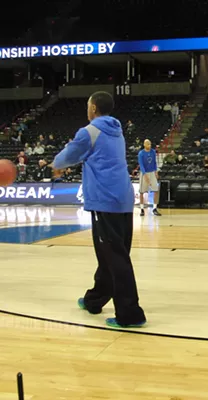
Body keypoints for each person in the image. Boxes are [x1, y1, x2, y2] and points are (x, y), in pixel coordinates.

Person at [52, 91, 146, 328]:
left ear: (93, 108)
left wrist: (54, 164)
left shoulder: (89, 131)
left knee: (115, 258)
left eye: (87, 105)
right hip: (123, 198)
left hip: (105, 200)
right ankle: (94, 300)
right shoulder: (117, 130)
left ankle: (130, 314)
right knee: (111, 254)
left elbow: (67, 157)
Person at [138, 139, 162, 216]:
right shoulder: (141, 153)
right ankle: (142, 209)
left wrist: (156, 171)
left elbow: (155, 162)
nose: (150, 145)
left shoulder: (153, 152)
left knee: (156, 190)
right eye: (148, 144)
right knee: (142, 192)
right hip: (144, 173)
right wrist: (145, 175)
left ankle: (154, 208)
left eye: (150, 144)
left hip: (152, 172)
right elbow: (141, 165)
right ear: (144, 144)